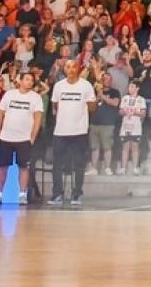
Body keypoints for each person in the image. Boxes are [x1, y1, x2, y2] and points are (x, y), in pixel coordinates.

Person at [0, 72, 44, 206]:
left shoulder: (36, 97)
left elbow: (38, 118)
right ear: (20, 81)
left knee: (23, 168)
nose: (29, 82)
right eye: (27, 79)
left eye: (31, 80)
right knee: (2, 167)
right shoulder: (9, 94)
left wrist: (32, 137)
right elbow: (0, 114)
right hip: (5, 138)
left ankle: (22, 195)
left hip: (24, 139)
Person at [49, 62, 96, 206]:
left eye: (73, 67)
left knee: (79, 164)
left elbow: (92, 108)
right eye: (68, 67)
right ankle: (57, 194)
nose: (70, 70)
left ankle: (77, 194)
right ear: (65, 69)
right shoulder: (59, 86)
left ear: (78, 69)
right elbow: (55, 105)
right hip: (61, 131)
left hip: (79, 131)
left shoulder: (86, 85)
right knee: (57, 165)